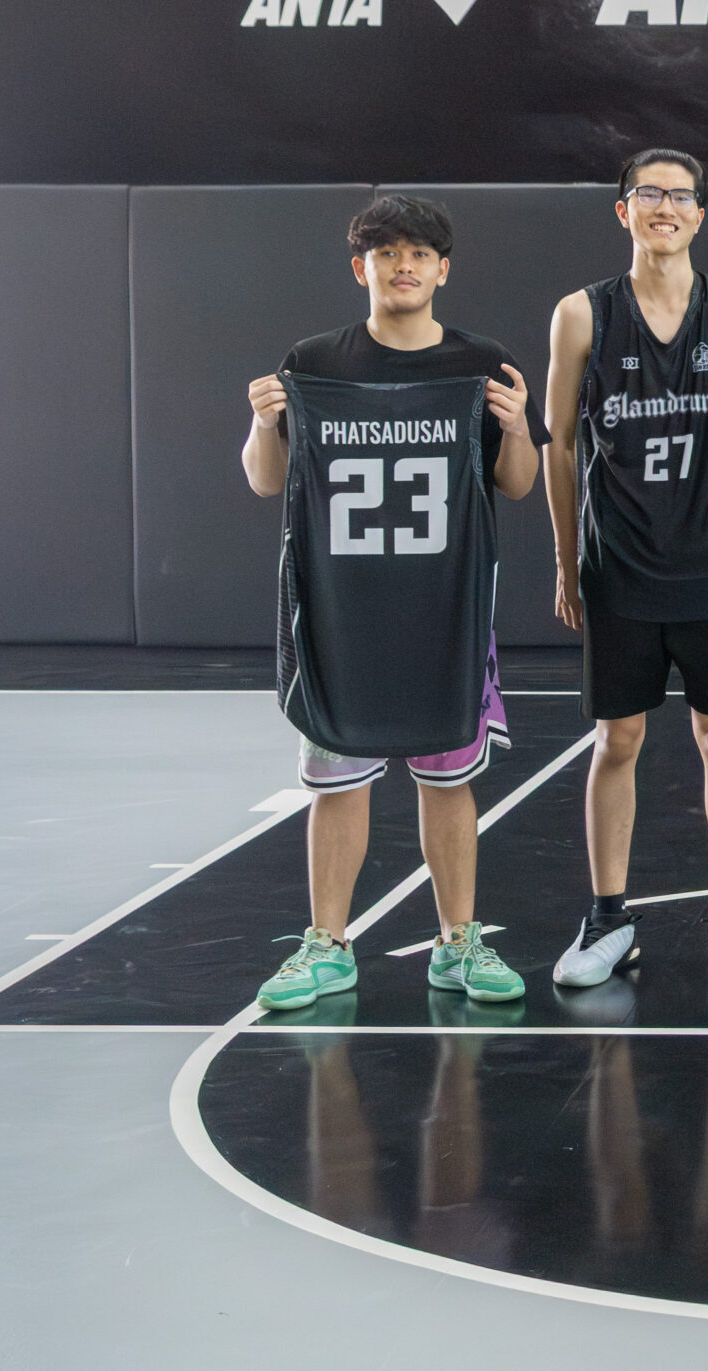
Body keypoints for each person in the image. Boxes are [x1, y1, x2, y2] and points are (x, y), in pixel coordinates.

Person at [241, 193, 547, 1011]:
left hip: (444, 613)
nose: (402, 265)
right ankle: (327, 943)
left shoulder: (481, 362)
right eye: (386, 253)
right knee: (336, 784)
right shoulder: (314, 363)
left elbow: (518, 484)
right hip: (339, 615)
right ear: (361, 268)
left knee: (448, 779)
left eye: (418, 253)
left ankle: (458, 939)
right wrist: (263, 425)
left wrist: (519, 429)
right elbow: (267, 480)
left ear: (443, 269)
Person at [542, 147, 708, 988]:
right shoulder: (582, 314)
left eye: (681, 196)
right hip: (620, 570)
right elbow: (559, 447)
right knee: (618, 739)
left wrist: (705, 509)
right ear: (624, 210)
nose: (665, 207)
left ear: (700, 214)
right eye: (649, 193)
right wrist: (569, 558)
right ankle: (609, 918)